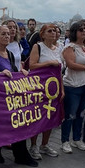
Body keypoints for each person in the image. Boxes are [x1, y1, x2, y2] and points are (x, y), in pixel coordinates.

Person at [0, 25, 38, 166]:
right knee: (0, 125)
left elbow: (13, 70)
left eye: (8, 34)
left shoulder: (9, 53)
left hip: (10, 95)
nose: (7, 36)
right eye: (3, 34)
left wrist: (22, 72)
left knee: (18, 123)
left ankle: (21, 154)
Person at [61, 20, 85, 154]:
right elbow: (70, 64)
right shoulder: (70, 47)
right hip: (73, 85)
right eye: (80, 29)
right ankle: (65, 140)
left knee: (81, 113)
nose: (84, 31)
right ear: (74, 32)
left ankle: (77, 138)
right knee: (70, 114)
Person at [27, 23, 62, 159]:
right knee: (37, 116)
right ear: (43, 34)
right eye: (50, 31)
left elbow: (59, 71)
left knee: (50, 116)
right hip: (39, 87)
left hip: (54, 88)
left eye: (54, 31)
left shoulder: (58, 49)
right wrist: (48, 63)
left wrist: (62, 89)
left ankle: (45, 144)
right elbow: (32, 65)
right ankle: (34, 145)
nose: (53, 33)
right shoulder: (38, 47)